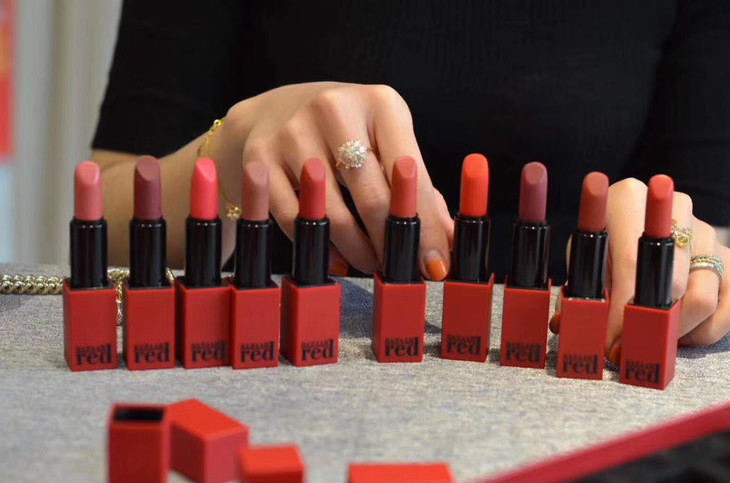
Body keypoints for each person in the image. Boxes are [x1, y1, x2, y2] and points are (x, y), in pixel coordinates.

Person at [91, 0, 730, 359]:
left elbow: (715, 242)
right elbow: (115, 218)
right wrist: (231, 151)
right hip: (286, 373)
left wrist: (693, 258)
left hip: (579, 402)